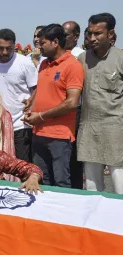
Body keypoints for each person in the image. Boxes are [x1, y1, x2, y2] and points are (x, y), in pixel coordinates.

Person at [23, 24, 84, 188]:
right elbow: (41, 88)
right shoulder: (44, 64)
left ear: (55, 42)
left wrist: (41, 116)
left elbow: (72, 102)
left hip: (59, 136)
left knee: (61, 182)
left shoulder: (73, 65)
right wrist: (31, 105)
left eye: (42, 43)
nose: (39, 46)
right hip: (39, 132)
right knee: (42, 179)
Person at [77, 13, 123, 194]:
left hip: (115, 130)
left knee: (119, 184)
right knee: (92, 187)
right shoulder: (82, 59)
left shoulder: (120, 58)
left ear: (111, 34)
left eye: (98, 34)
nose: (92, 38)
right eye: (89, 33)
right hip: (88, 129)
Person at [0, 29, 38, 162]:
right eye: (1, 48)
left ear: (14, 46)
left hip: (21, 125)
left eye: (9, 48)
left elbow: (36, 89)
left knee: (21, 164)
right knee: (0, 164)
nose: (5, 52)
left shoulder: (25, 63)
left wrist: (31, 103)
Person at [62, 20, 85, 189]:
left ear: (76, 37)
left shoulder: (81, 56)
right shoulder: (59, 54)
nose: (62, 38)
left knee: (73, 156)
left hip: (76, 110)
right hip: (58, 111)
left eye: (66, 35)